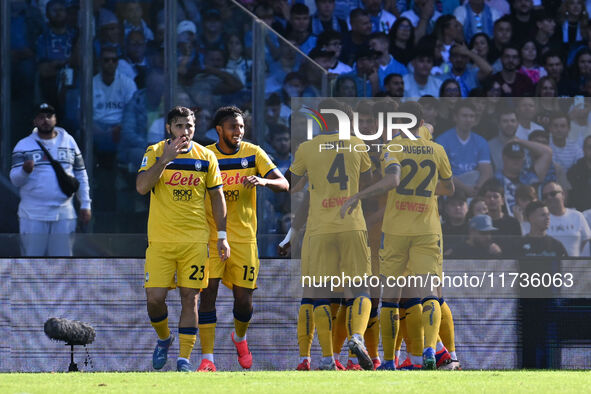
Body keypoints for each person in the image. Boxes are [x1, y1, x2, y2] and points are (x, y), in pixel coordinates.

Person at [342, 101, 455, 370]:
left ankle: (434, 353)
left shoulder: (391, 148)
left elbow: (387, 184)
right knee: (400, 296)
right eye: (363, 122)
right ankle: (425, 352)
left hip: (389, 229)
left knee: (408, 296)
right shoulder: (373, 146)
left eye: (372, 121)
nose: (367, 126)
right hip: (410, 229)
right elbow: (427, 126)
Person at [136, 106, 229, 372]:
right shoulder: (154, 152)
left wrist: (222, 236)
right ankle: (164, 339)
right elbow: (142, 187)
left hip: (195, 242)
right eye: (179, 126)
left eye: (189, 126)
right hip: (161, 242)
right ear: (169, 129)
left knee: (191, 298)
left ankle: (184, 360)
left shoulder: (206, 157)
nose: (184, 131)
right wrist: (164, 159)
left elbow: (217, 197)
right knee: (154, 300)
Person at [197, 106, 289, 372]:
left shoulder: (253, 152)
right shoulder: (206, 156)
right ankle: (208, 359)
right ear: (219, 130)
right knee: (207, 296)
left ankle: (240, 337)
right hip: (212, 237)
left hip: (245, 239)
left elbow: (284, 184)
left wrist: (263, 181)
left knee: (244, 301)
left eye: (240, 127)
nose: (238, 132)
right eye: (232, 127)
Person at [290, 99, 375, 371]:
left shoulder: (306, 148)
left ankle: (327, 358)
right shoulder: (357, 144)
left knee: (320, 294)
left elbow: (292, 185)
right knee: (361, 288)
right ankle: (357, 337)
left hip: (318, 229)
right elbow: (370, 181)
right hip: (351, 225)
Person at [10, 103, 91, 256]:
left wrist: (85, 204)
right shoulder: (23, 145)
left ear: (55, 119)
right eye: (41, 117)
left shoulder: (69, 142)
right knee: (31, 260)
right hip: (33, 214)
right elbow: (15, 180)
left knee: (63, 262)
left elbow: (81, 173)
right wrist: (24, 171)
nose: (45, 120)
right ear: (34, 121)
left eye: (49, 116)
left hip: (64, 213)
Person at [436, 101, 492, 197]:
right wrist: (466, 189)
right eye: (464, 116)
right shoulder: (442, 140)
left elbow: (486, 171)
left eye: (471, 116)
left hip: (474, 188)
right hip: (450, 189)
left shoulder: (481, 141)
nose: (468, 120)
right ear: (455, 117)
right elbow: (442, 173)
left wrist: (477, 188)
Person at [541, 181, 591, 256]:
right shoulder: (541, 218)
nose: (549, 198)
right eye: (545, 196)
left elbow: (586, 242)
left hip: (575, 265)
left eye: (553, 194)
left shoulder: (577, 216)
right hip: (552, 265)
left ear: (563, 194)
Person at [567, 135, 591, 212]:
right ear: (583, 149)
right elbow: (571, 198)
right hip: (581, 212)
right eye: (589, 147)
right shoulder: (574, 171)